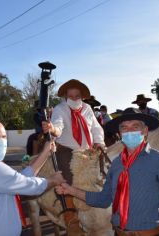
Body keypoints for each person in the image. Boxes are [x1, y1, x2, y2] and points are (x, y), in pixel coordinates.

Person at [56, 107, 159, 236]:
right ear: (120, 134)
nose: (129, 131)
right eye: (124, 128)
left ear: (144, 131)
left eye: (135, 127)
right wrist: (71, 190)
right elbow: (103, 199)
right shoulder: (116, 164)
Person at [0, 119, 65, 236]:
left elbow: (19, 179)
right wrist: (53, 180)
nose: (1, 141)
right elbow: (29, 186)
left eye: (3, 136)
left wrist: (45, 153)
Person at [42, 79, 104, 233]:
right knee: (66, 175)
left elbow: (96, 128)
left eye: (77, 96)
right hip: (67, 149)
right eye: (71, 96)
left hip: (88, 150)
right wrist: (53, 128)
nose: (75, 98)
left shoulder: (88, 108)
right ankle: (71, 217)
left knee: (108, 167)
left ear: (82, 96)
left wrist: (100, 142)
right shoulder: (60, 108)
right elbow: (58, 126)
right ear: (66, 97)